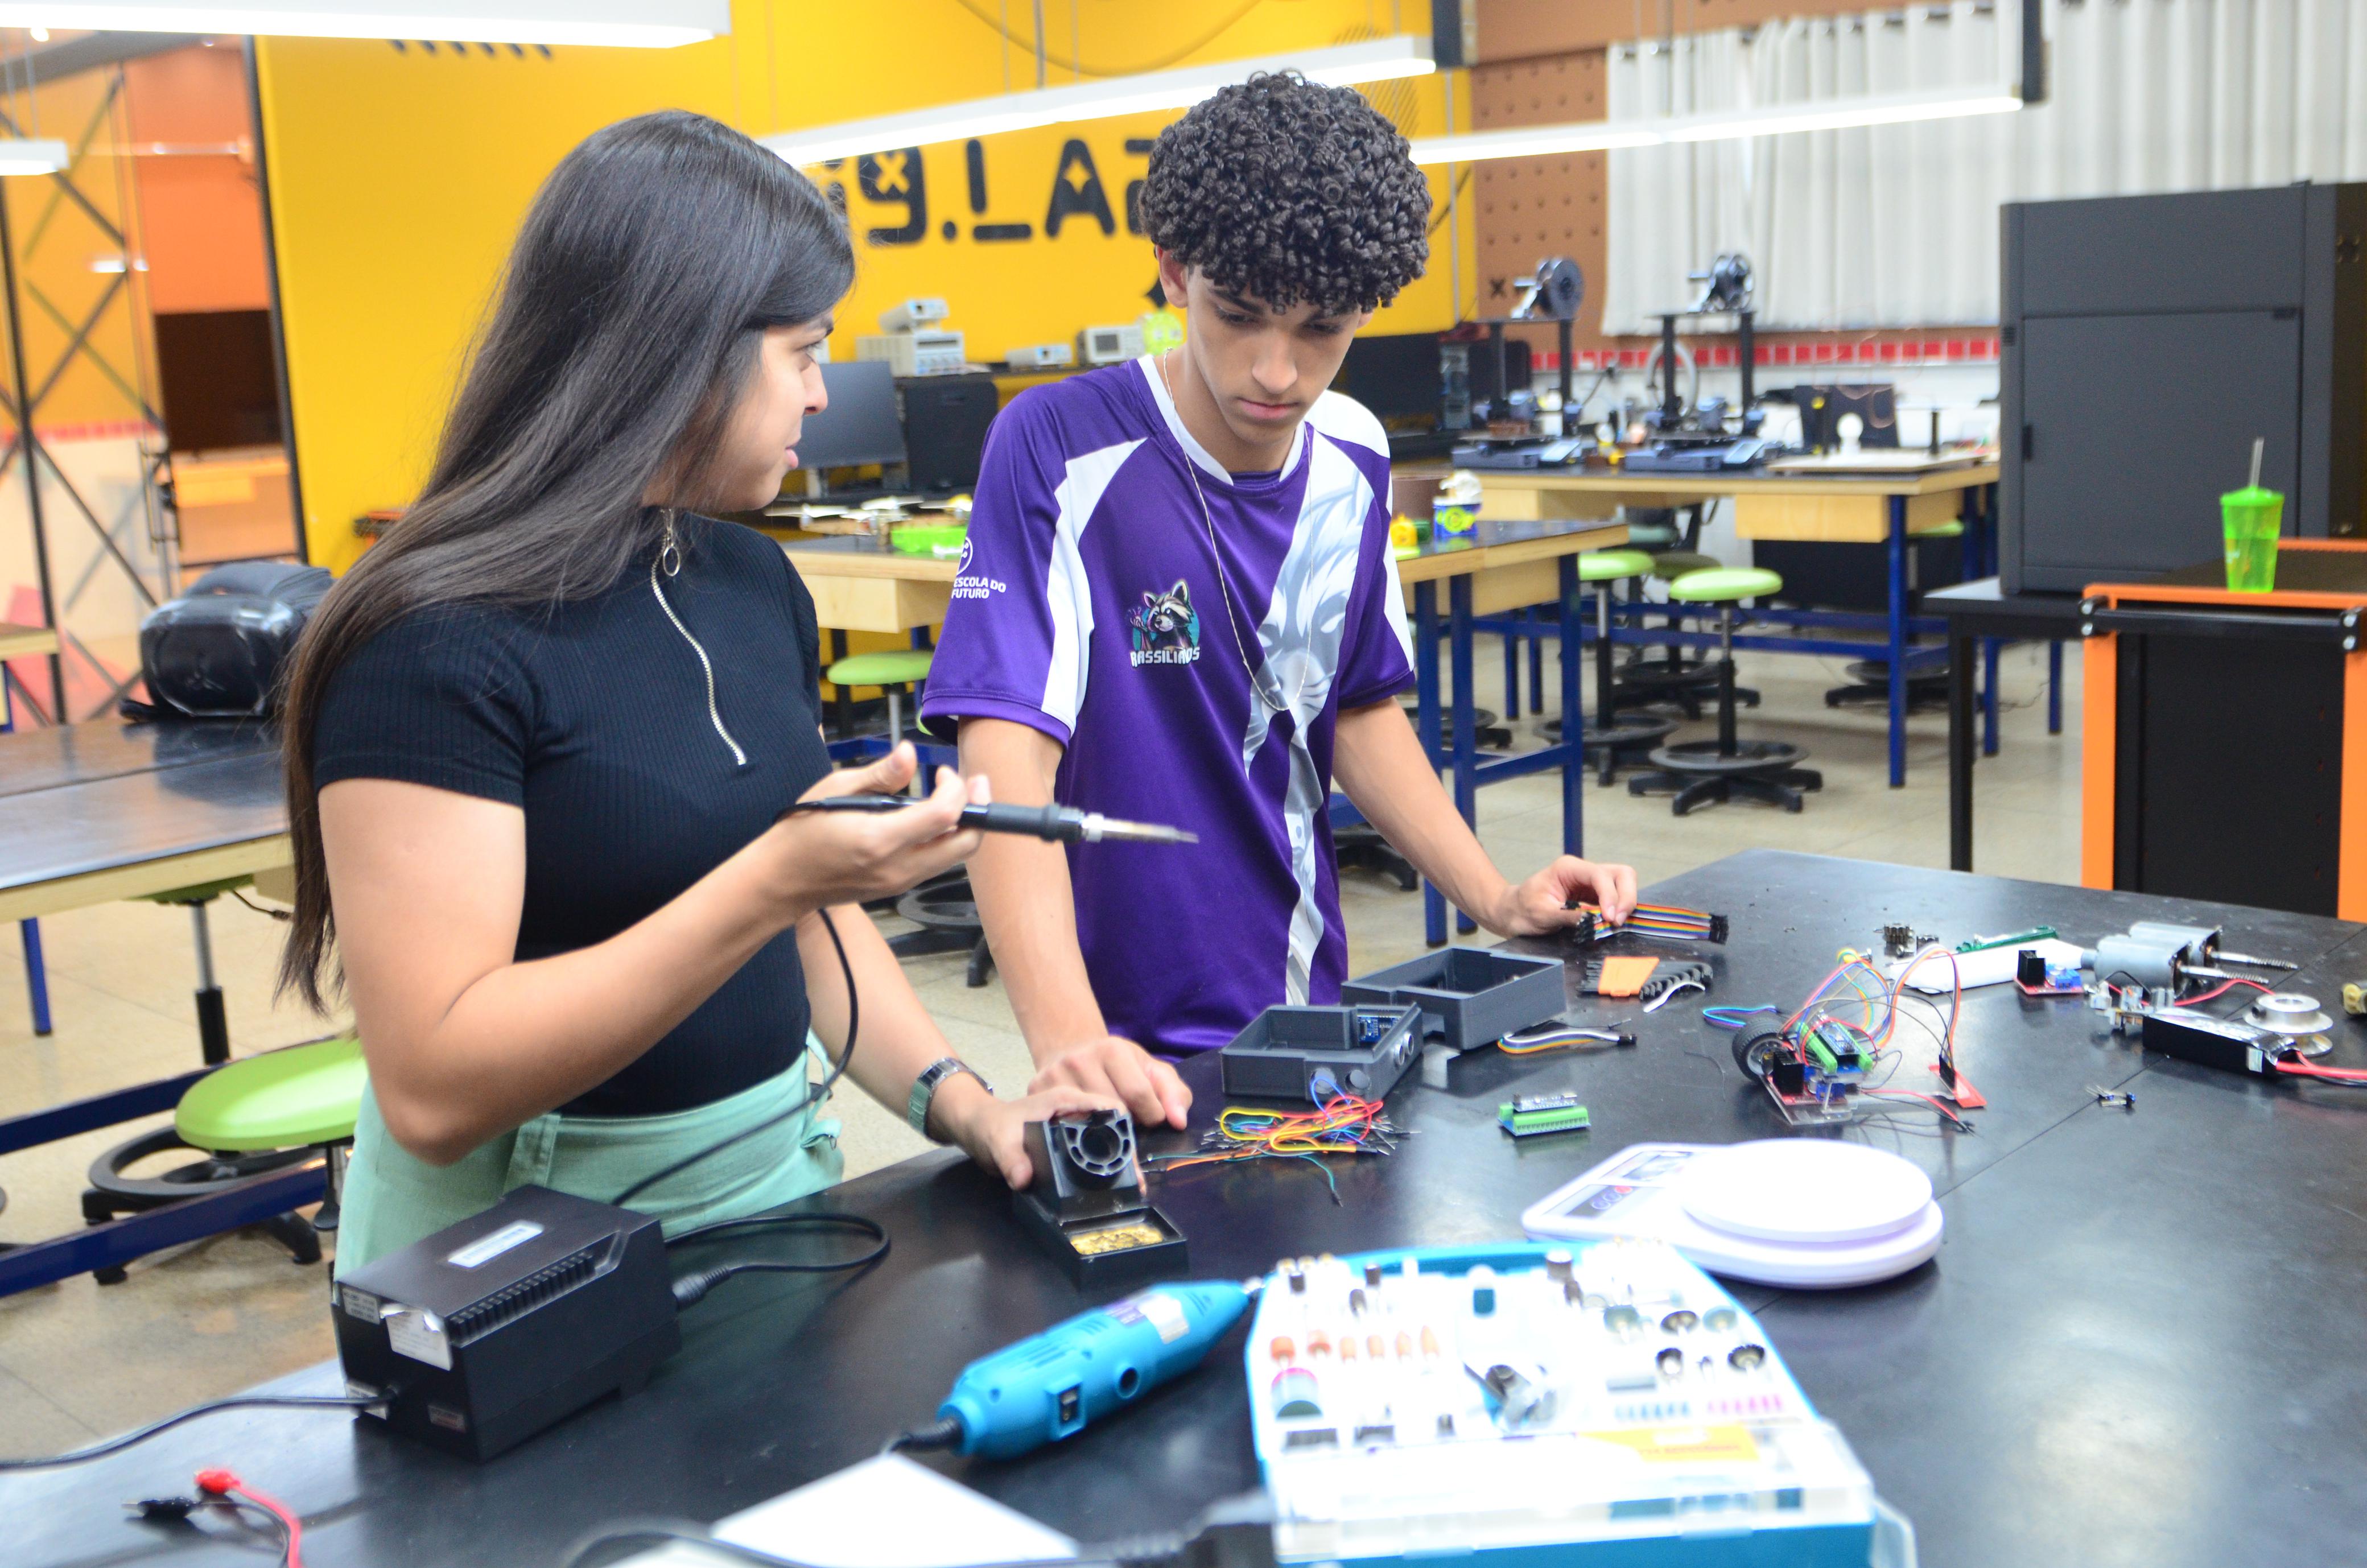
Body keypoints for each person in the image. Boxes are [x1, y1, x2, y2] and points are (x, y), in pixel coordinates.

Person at [279, 111, 1107, 1273]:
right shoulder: (432, 643)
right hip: (518, 1260)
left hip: (769, 1200)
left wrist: (964, 1103)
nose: (822, 397)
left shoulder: (749, 579)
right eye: (805, 351)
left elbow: (812, 919)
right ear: (683, 347)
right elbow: (433, 1084)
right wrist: (772, 878)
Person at [921, 75, 1638, 1128]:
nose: (1277, 371)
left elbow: (1350, 702)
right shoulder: (1060, 446)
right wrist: (1072, 1045)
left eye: (1322, 329)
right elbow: (1004, 757)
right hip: (1119, 1040)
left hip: (1304, 1014)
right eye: (1240, 315)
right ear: (1174, 274)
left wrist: (1493, 895)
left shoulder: (1354, 454)